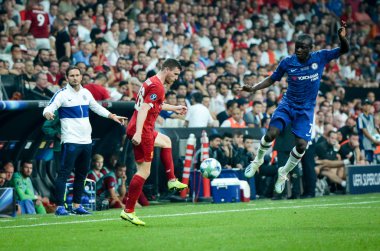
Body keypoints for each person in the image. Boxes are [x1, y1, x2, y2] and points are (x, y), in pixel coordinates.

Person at [243, 21, 349, 194]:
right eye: (297, 47)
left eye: (303, 47)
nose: (299, 50)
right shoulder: (288, 62)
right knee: (271, 134)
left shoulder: (320, 57)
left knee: (301, 145)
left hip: (305, 110)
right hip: (287, 105)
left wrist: (342, 38)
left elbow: (344, 50)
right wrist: (253, 87)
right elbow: (272, 78)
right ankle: (257, 161)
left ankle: (283, 172)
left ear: (310, 48)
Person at [43, 66, 126, 216]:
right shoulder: (62, 94)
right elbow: (49, 107)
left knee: (82, 174)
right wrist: (48, 113)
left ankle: (77, 205)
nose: (75, 78)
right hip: (70, 140)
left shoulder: (86, 93)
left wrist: (112, 116)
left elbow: (97, 108)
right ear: (67, 78)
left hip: (86, 141)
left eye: (77, 75)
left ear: (81, 77)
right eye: (72, 76)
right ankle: (60, 207)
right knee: (64, 174)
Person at [120, 59, 188, 226]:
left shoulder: (151, 81)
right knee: (144, 171)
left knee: (166, 141)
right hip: (142, 130)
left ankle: (171, 179)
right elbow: (144, 109)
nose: (177, 77)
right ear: (167, 69)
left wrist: (174, 108)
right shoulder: (157, 86)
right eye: (176, 73)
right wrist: (137, 132)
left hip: (143, 128)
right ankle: (128, 210)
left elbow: (156, 105)